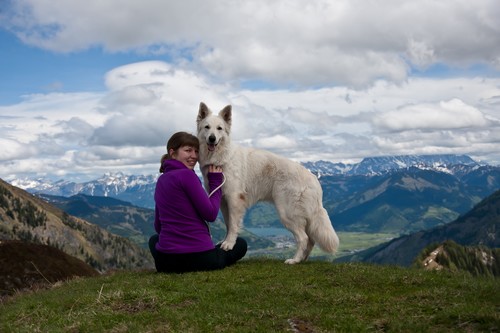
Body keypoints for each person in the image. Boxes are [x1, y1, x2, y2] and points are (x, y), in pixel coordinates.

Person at [149, 131, 247, 273]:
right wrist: (215, 181)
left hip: (165, 263)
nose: (194, 156)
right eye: (188, 150)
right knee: (240, 244)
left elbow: (158, 227)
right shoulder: (187, 175)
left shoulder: (161, 180)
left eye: (196, 151)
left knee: (154, 240)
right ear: (173, 153)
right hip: (200, 259)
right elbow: (211, 214)